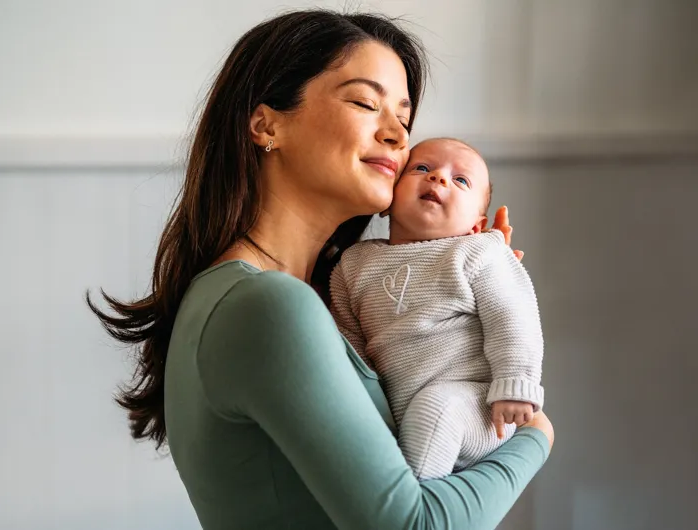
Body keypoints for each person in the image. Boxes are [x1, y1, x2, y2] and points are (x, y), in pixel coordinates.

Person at [87, 9, 554, 529]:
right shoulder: (269, 306)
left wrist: (450, 301)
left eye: (404, 118)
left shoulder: (279, 297)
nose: (398, 138)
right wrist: (536, 437)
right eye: (364, 102)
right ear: (267, 123)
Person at [329, 137, 545, 481]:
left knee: (436, 408)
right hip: (399, 410)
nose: (439, 178)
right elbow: (349, 339)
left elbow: (513, 317)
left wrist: (516, 384)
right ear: (388, 200)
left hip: (477, 405)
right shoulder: (354, 265)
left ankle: (410, 511)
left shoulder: (479, 252)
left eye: (460, 180)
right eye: (422, 168)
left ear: (476, 224)